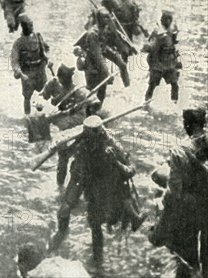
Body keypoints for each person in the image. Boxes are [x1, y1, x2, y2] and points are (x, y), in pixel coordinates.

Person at [49, 115, 145, 262]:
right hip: (80, 178)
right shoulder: (80, 141)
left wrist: (115, 162)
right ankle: (62, 233)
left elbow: (131, 170)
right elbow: (64, 154)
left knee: (95, 224)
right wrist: (60, 148)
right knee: (64, 209)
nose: (91, 142)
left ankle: (97, 260)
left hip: (99, 186)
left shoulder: (111, 145)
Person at [149, 107, 208, 278]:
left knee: (185, 258)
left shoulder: (179, 151)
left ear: (186, 125)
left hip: (191, 209)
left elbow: (174, 192)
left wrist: (161, 206)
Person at [36, 62, 99, 186]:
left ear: (70, 78)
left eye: (66, 79)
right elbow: (41, 96)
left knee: (80, 158)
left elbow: (96, 102)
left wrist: (85, 106)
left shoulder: (78, 91)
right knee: (63, 158)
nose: (63, 81)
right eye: (61, 78)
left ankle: (77, 185)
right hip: (61, 127)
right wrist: (41, 103)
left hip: (76, 127)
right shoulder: (53, 83)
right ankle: (60, 185)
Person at [81, 8, 129, 103]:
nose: (109, 19)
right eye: (106, 18)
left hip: (101, 52)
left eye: (109, 17)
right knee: (99, 84)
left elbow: (106, 45)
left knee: (122, 65)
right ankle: (94, 106)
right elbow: (97, 56)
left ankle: (127, 89)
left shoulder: (105, 29)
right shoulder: (92, 34)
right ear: (99, 19)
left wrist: (119, 61)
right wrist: (107, 72)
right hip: (92, 61)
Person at [11, 14, 50, 115]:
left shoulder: (38, 37)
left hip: (40, 70)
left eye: (32, 25)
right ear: (23, 27)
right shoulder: (18, 43)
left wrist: (49, 59)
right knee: (27, 97)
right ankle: (27, 116)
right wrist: (21, 74)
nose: (31, 27)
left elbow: (46, 48)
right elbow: (14, 61)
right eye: (29, 25)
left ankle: (44, 115)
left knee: (46, 93)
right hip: (27, 73)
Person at [142, 10, 181, 102]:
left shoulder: (173, 30)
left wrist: (178, 62)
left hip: (170, 63)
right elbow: (150, 47)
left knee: (175, 84)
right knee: (152, 86)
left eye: (169, 20)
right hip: (157, 64)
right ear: (162, 21)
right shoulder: (157, 32)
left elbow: (175, 46)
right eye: (165, 19)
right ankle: (146, 102)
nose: (167, 22)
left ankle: (174, 103)